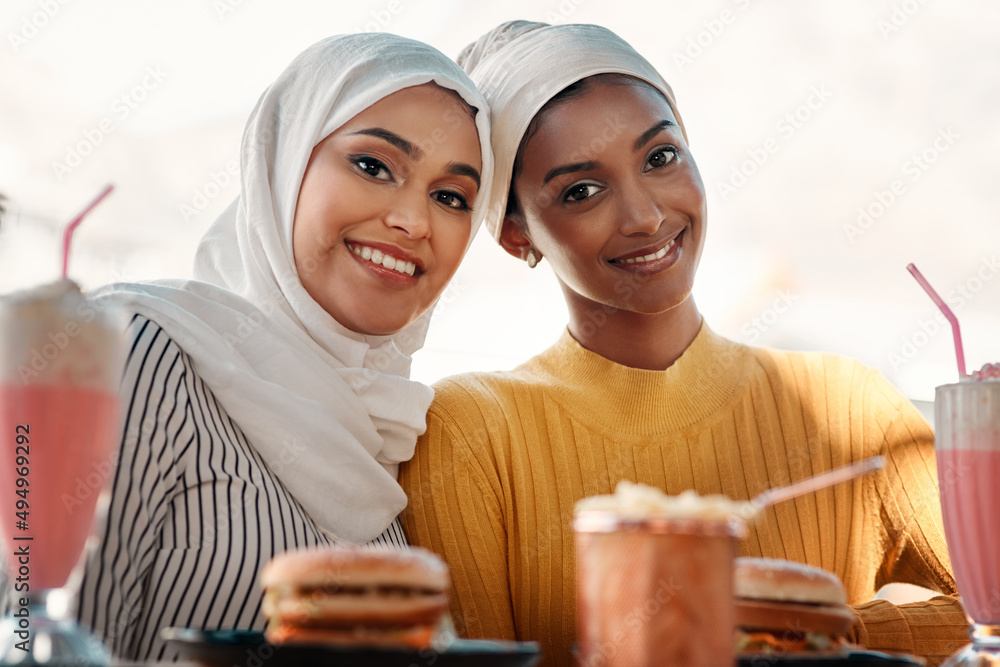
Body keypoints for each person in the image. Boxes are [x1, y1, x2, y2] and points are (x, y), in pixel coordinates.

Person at [399, 21, 967, 667]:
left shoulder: (847, 404)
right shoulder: (469, 431)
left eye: (660, 157)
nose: (645, 215)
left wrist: (821, 637)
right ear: (515, 234)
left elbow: (989, 607)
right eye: (582, 190)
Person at [74, 33, 492, 661]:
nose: (414, 221)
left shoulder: (393, 433)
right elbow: (39, 635)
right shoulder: (138, 351)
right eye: (374, 166)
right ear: (284, 163)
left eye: (450, 197)